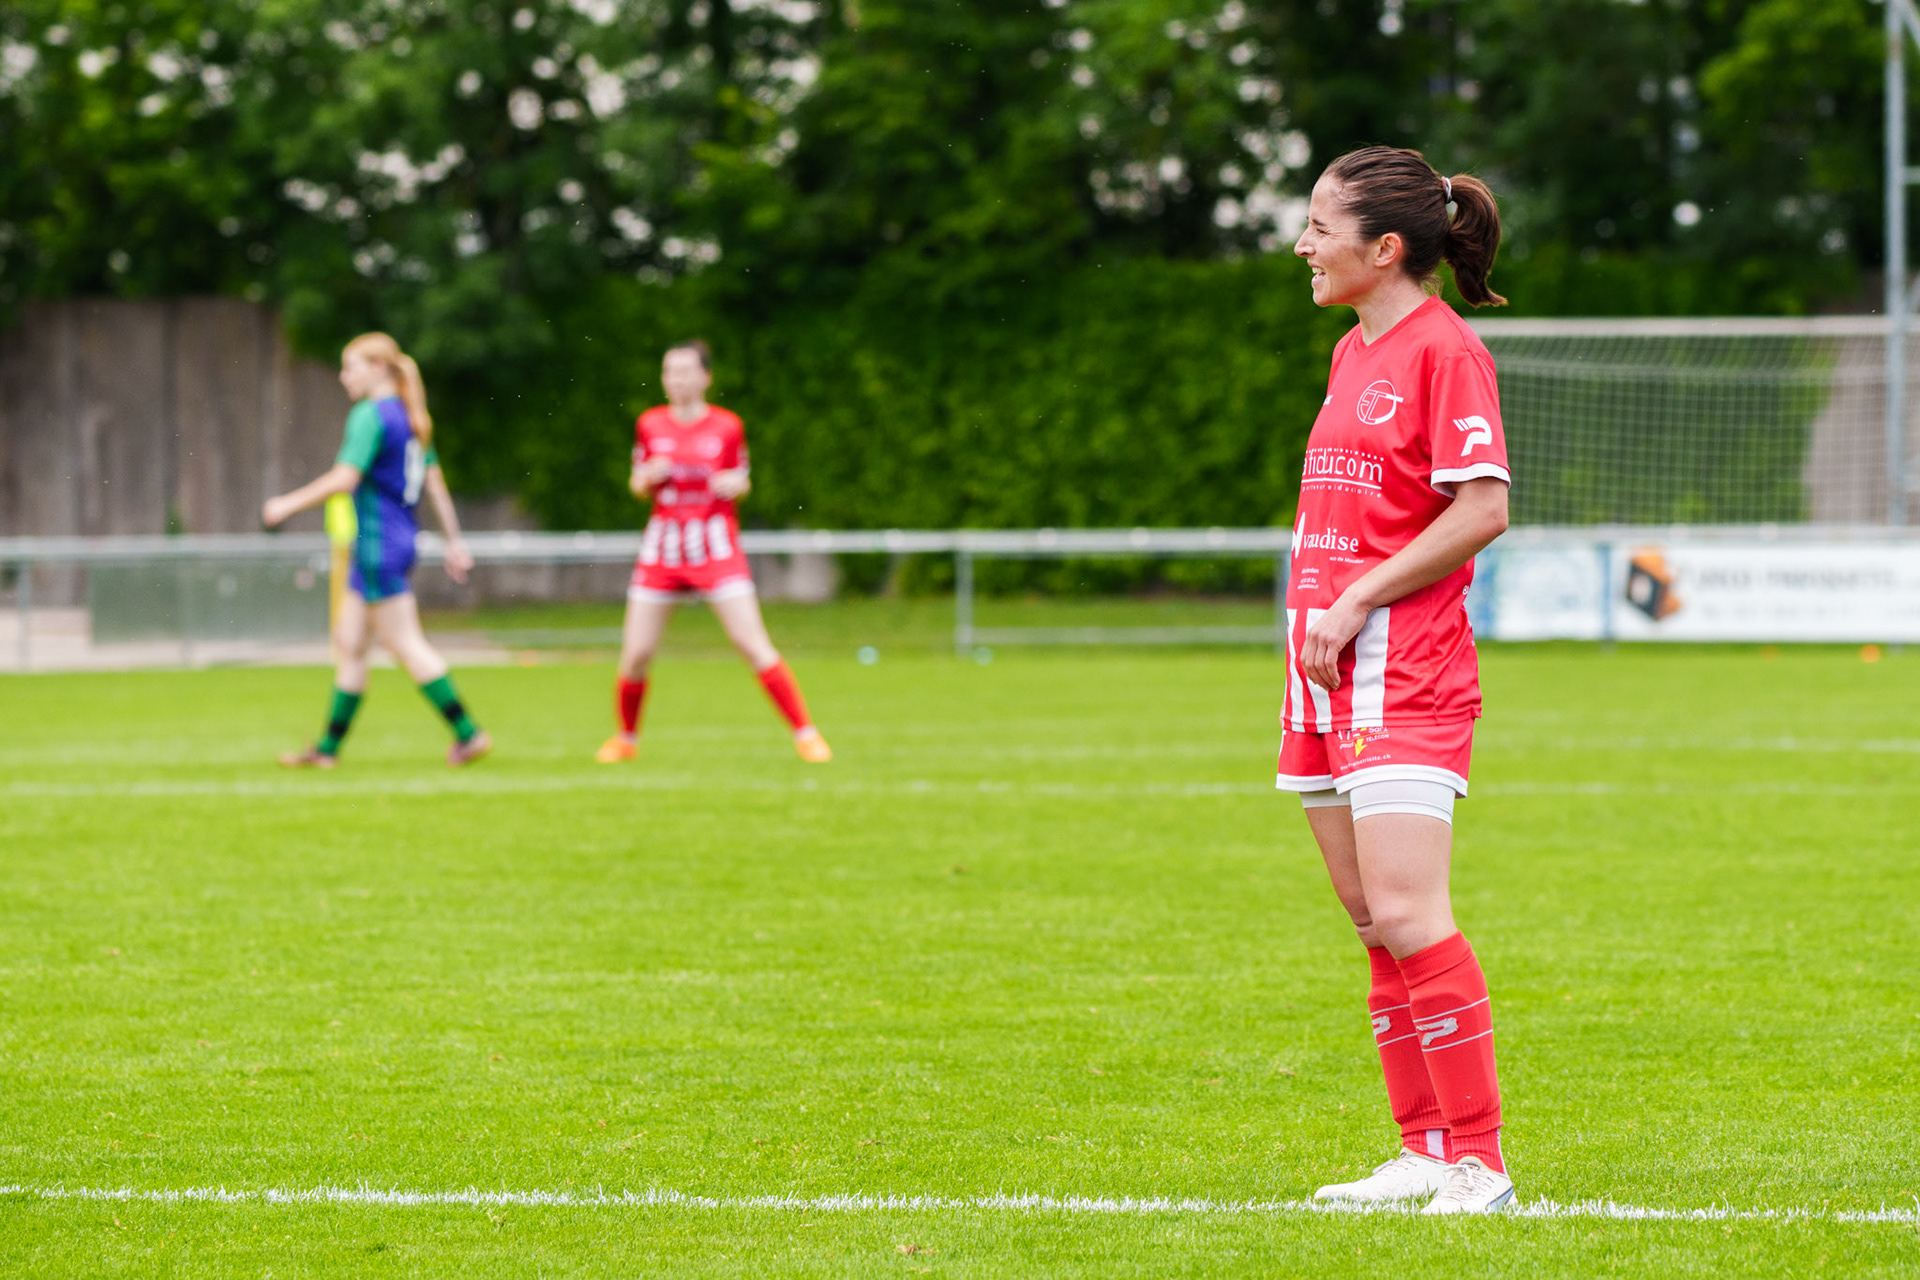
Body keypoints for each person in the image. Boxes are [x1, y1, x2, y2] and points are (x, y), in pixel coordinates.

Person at [1277, 147, 1515, 1214]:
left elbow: (1482, 508)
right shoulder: (1350, 350)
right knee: (1373, 917)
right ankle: (1421, 1149)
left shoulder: (1446, 351)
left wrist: (1359, 597)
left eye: (1319, 228)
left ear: (1383, 248)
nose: (1302, 245)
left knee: (1413, 910)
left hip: (1403, 664)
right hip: (1322, 665)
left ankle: (1480, 1162)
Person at [596, 340, 831, 764]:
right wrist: (646, 478)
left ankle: (806, 734)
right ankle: (625, 739)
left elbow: (742, 479)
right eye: (670, 372)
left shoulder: (727, 426)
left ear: (706, 377)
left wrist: (736, 485)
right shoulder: (650, 423)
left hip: (715, 547)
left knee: (752, 643)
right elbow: (636, 484)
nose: (677, 380)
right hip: (663, 549)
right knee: (636, 653)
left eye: (685, 371)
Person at [263, 332, 491, 768]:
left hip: (378, 546)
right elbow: (435, 483)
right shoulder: (411, 416)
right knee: (350, 643)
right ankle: (327, 751)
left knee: (406, 644)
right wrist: (454, 541)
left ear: (378, 368)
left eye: (351, 367)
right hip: (395, 543)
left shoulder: (371, 415)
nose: (344, 377)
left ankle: (469, 734)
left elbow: (345, 479)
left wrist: (286, 504)